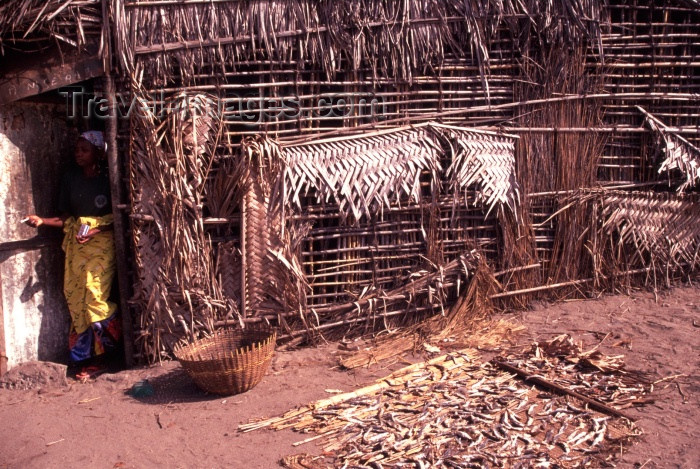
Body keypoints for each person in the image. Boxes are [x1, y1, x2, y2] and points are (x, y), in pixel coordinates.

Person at [24, 130, 120, 380]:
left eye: (84, 150)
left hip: (102, 244)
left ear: (99, 152)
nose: (78, 154)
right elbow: (67, 218)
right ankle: (88, 359)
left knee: (94, 294)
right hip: (78, 244)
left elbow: (121, 214)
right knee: (76, 297)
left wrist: (97, 229)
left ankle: (113, 353)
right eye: (77, 150)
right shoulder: (70, 179)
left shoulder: (110, 179)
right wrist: (41, 221)